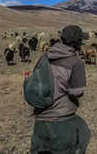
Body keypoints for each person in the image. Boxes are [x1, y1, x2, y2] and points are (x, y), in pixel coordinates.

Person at [30, 25, 91, 154]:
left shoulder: (44, 57)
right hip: (61, 120)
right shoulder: (76, 62)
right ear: (77, 43)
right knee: (83, 135)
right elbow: (77, 92)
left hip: (40, 119)